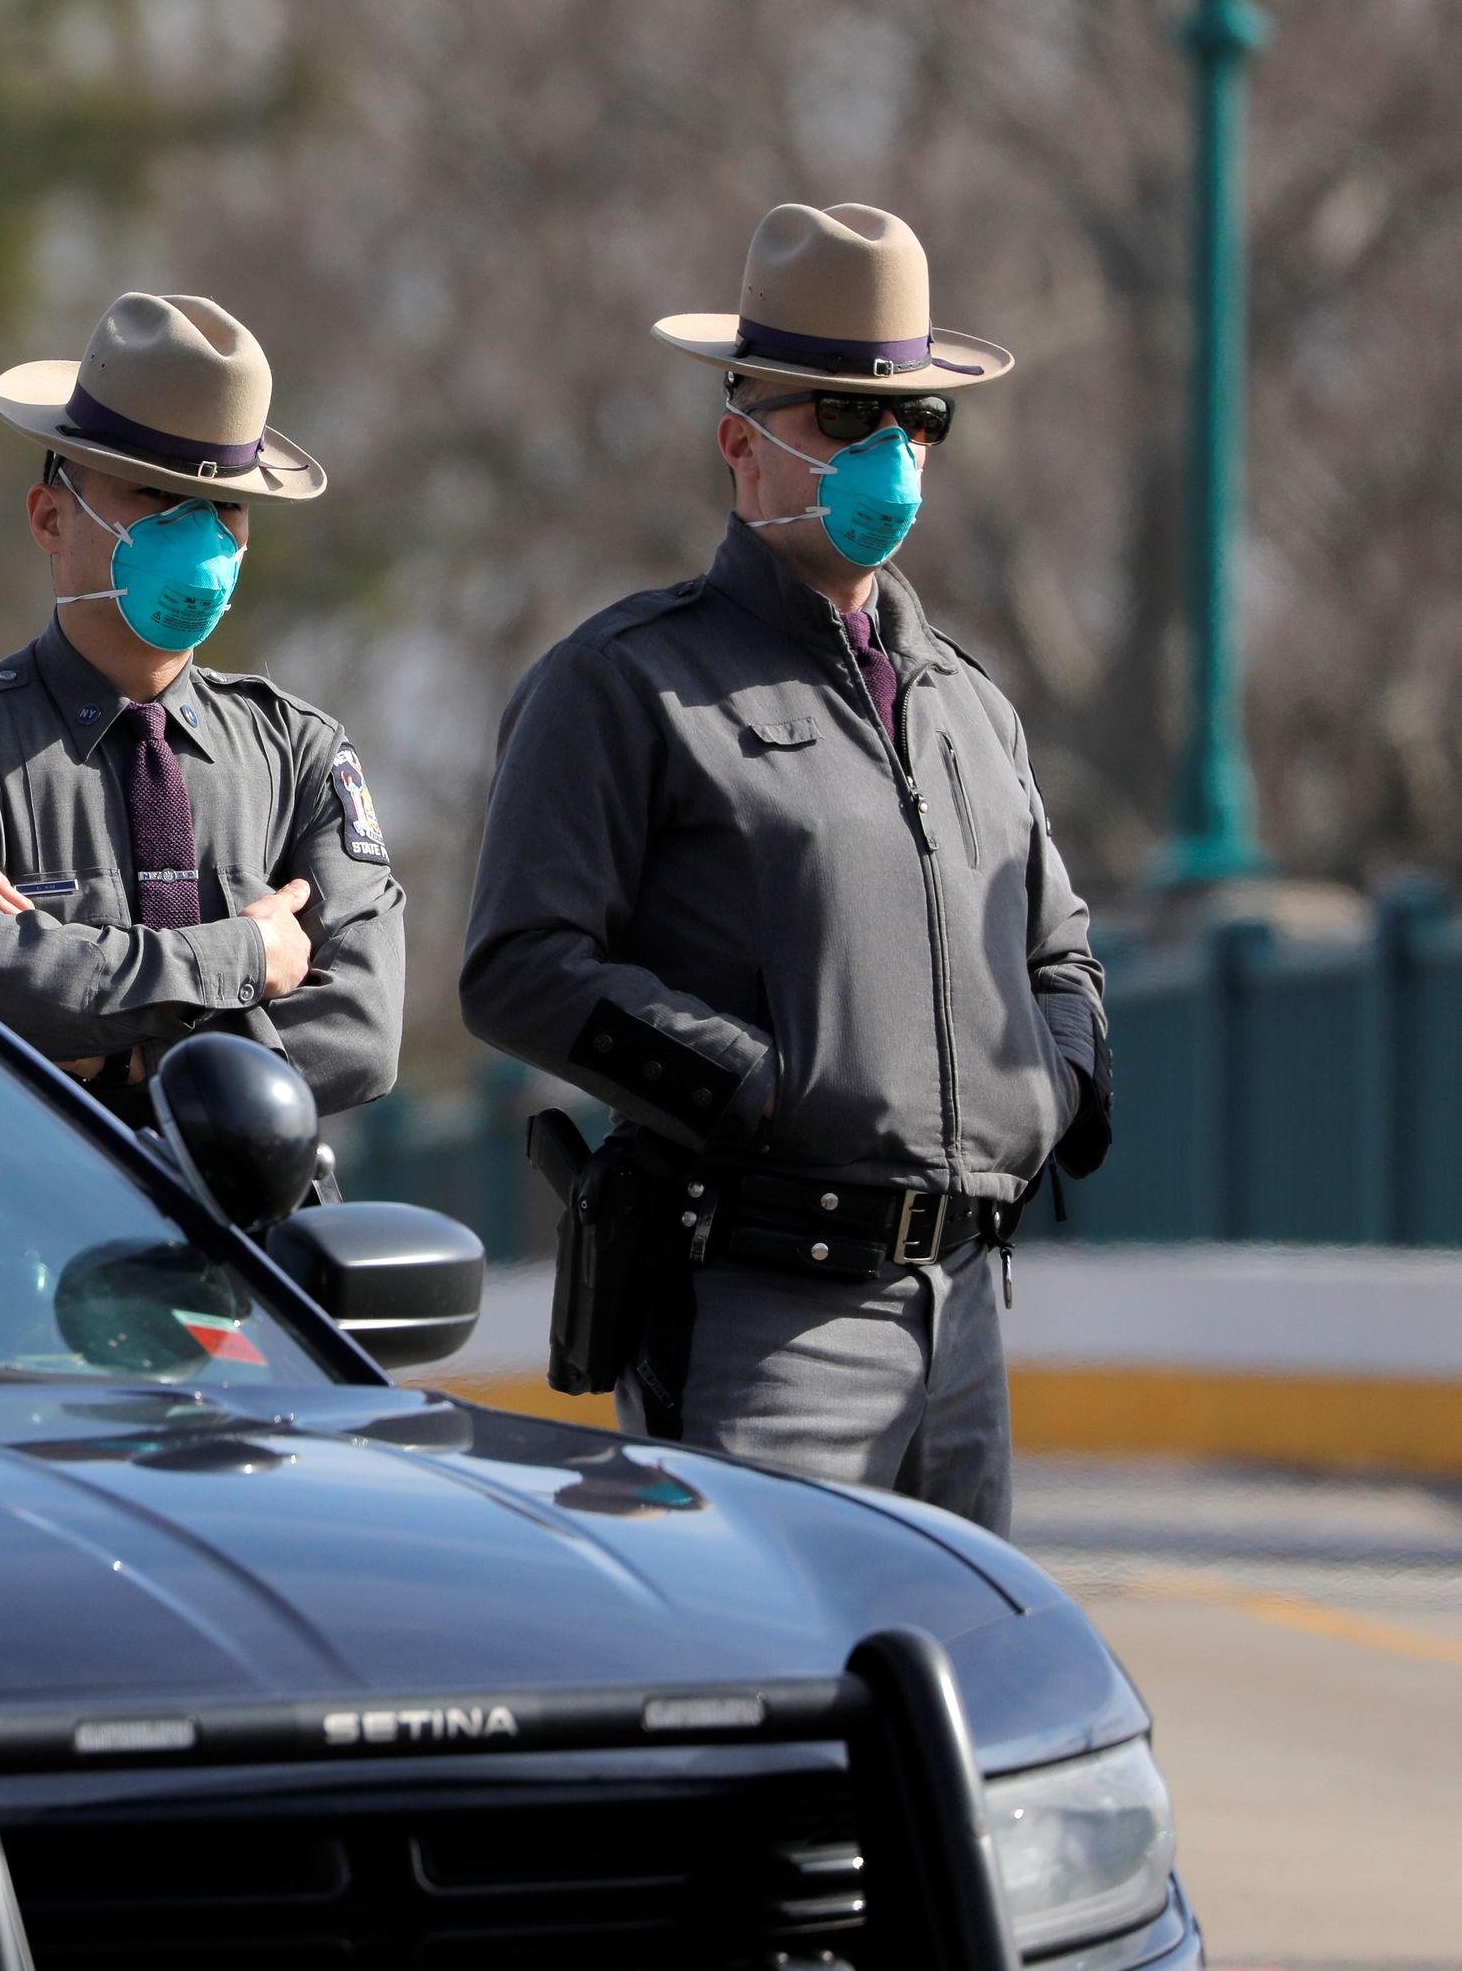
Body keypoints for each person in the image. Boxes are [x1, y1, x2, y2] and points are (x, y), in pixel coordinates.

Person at [461, 202, 1112, 1533]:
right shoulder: (627, 682)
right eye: (840, 417)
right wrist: (759, 1089)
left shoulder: (969, 705)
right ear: (739, 443)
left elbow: (1061, 951)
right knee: (767, 1688)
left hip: (966, 1314)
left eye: (919, 421)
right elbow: (520, 966)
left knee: (960, 1709)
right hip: (762, 1309)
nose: (890, 453)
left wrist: (1048, 1089)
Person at [0, 291, 403, 1127]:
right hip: (36, 1233)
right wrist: (245, 956)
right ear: (49, 517)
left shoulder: (296, 750)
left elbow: (363, 1031)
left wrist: (120, 1054)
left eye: (224, 506)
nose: (203, 539)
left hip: (255, 1245)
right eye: (154, 496)